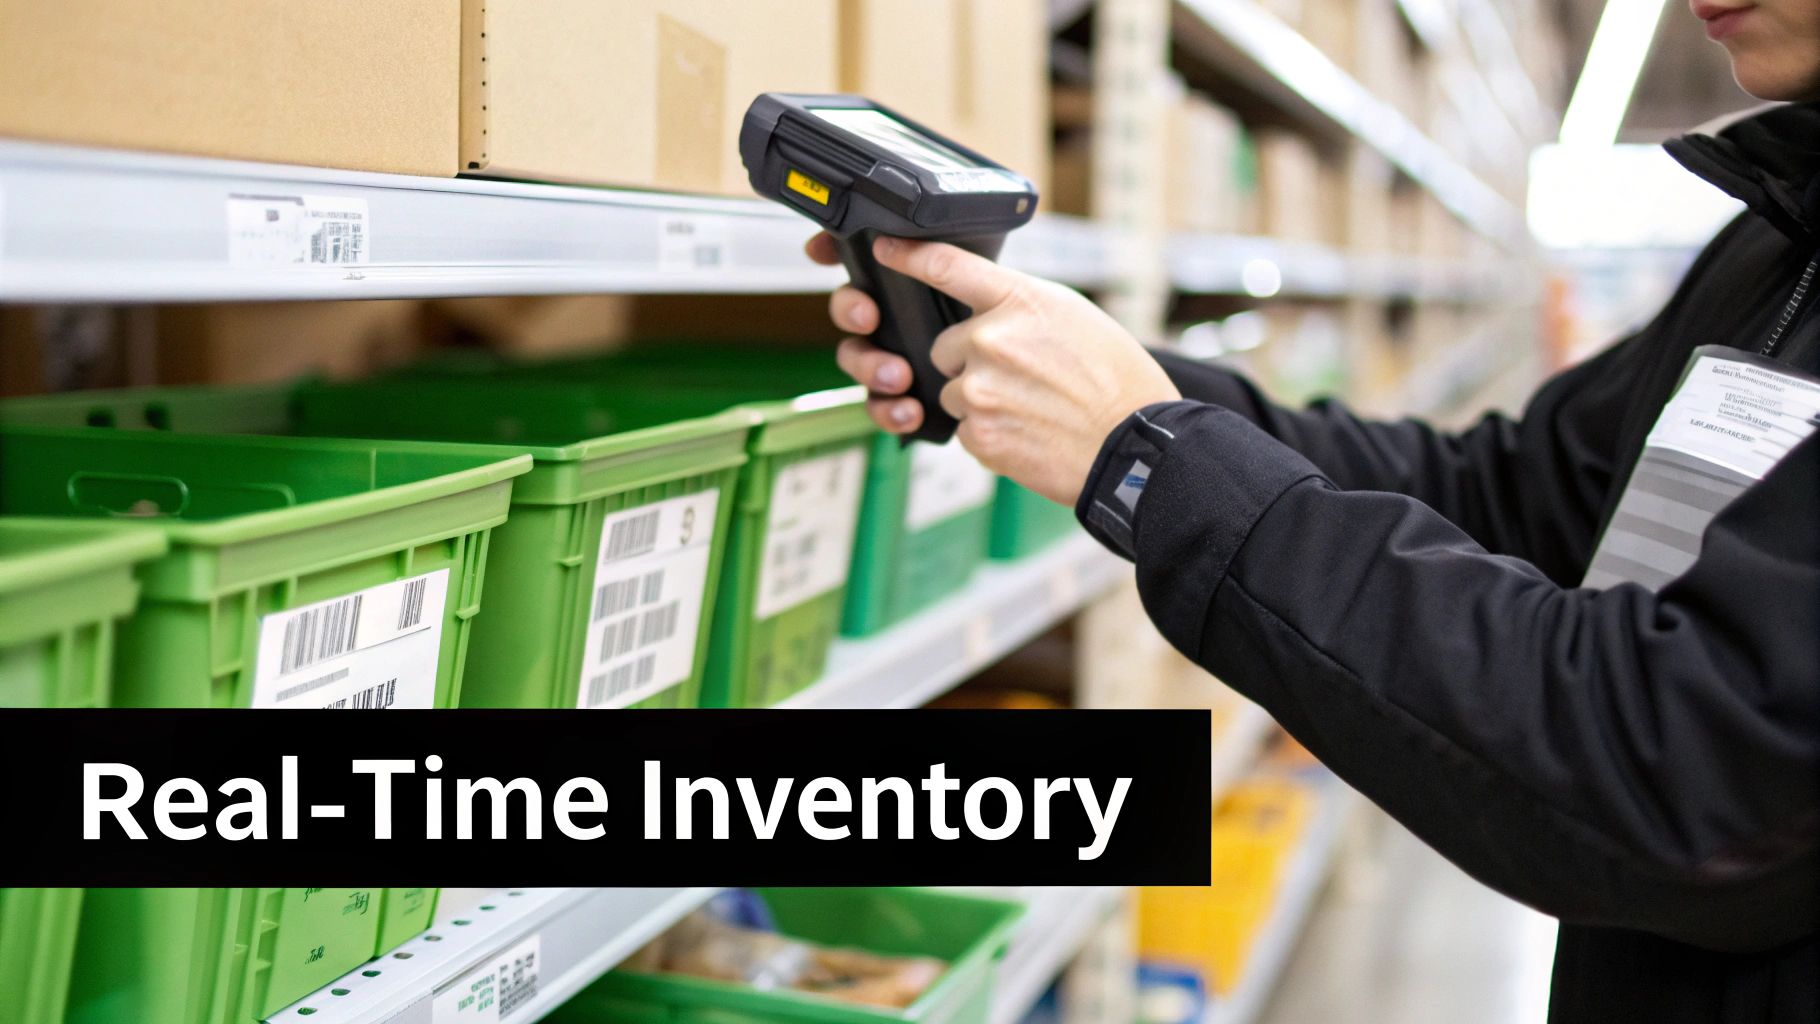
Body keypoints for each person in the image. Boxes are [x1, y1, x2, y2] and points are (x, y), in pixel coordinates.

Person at [808, 0, 1820, 1020]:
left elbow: (1690, 762)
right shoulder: (1779, 238)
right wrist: (1107, 386)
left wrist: (1150, 459)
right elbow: (1503, 493)